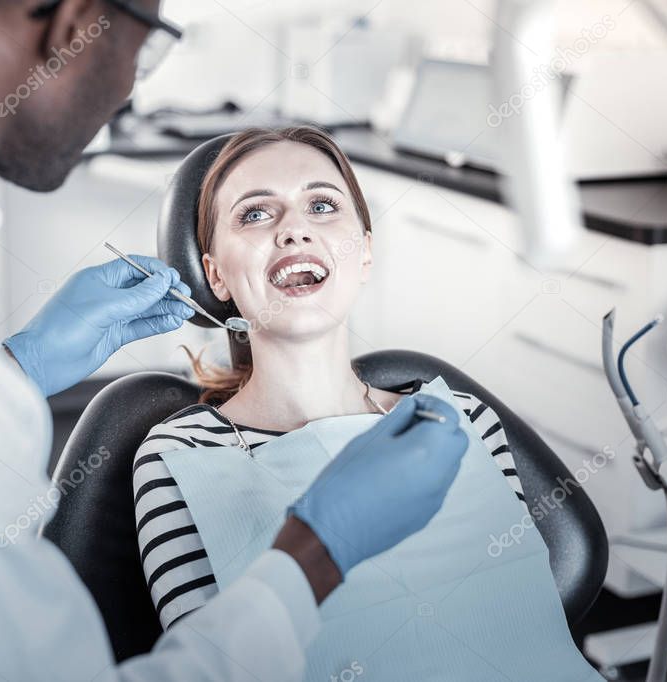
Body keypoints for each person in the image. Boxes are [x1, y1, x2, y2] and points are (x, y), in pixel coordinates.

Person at [0, 2, 469, 681]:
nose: (124, 91)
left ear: (366, 249)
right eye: (141, 53)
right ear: (74, 23)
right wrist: (316, 555)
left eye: (320, 204)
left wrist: (13, 370)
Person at [133, 125, 528, 629]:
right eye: (255, 213)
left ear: (364, 252)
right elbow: (209, 661)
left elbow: (523, 618)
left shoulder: (461, 419)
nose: (295, 229)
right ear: (216, 276)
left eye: (321, 206)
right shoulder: (181, 453)